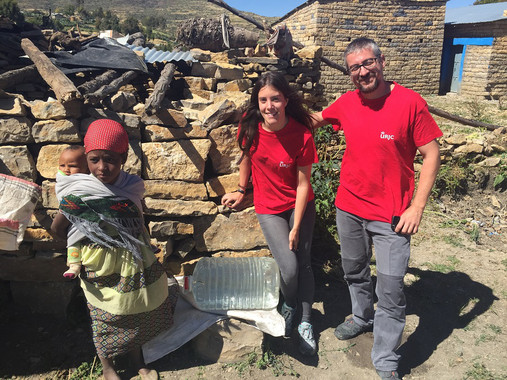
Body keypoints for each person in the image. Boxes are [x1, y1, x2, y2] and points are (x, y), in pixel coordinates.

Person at [311, 37, 442, 380]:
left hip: (393, 215)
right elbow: (316, 120)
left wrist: (417, 207)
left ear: (382, 62)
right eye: (354, 67)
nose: (362, 72)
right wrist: (267, 117)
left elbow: (431, 154)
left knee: (392, 287)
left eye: (367, 63)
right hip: (349, 206)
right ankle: (361, 316)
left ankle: (384, 358)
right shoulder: (347, 103)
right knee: (354, 269)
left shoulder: (410, 103)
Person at [51, 119, 178, 380]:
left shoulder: (131, 187)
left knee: (135, 310)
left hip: (132, 259)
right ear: (86, 158)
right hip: (98, 263)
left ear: (124, 157)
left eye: (109, 160)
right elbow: (58, 227)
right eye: (94, 160)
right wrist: (81, 245)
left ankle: (137, 361)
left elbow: (136, 220)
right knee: (104, 316)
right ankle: (108, 367)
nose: (101, 168)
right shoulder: (79, 190)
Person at [221, 71, 319, 356]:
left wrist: (297, 226)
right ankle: (289, 304)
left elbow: (303, 184)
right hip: (268, 207)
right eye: (263, 100)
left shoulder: (301, 134)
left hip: (300, 205)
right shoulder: (250, 127)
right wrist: (241, 190)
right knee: (289, 268)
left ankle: (306, 322)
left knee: (305, 263)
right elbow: (247, 159)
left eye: (275, 99)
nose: (269, 106)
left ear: (286, 100)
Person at [55, 145, 89, 279]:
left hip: (88, 217)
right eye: (62, 165)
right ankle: (74, 265)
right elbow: (63, 195)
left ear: (86, 168)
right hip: (72, 217)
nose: (66, 170)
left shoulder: (91, 182)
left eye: (72, 166)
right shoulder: (62, 179)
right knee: (73, 236)